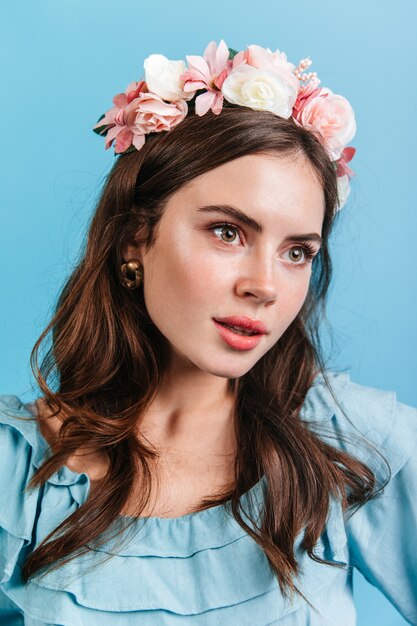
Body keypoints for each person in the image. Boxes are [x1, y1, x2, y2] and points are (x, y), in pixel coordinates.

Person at [0, 39, 416, 626]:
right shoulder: (15, 468)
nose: (265, 285)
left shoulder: (351, 444)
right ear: (133, 239)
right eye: (227, 232)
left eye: (297, 252)